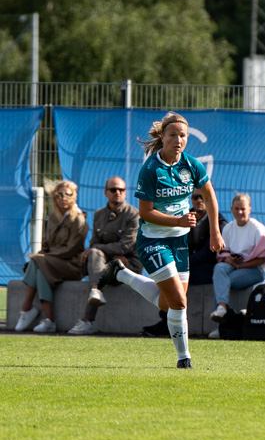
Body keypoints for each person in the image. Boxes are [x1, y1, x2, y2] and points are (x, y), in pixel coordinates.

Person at [99, 111, 224, 369]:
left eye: (183, 136)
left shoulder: (191, 165)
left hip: (179, 242)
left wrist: (215, 231)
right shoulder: (151, 170)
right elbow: (145, 212)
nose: (178, 140)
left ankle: (121, 274)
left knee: (169, 303)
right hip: (153, 241)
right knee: (179, 302)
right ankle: (184, 358)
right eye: (173, 135)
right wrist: (178, 221)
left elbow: (209, 196)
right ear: (163, 137)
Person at [141, 190, 227, 337]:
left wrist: (182, 262)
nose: (199, 200)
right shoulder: (185, 215)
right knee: (168, 273)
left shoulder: (218, 221)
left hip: (206, 268)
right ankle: (167, 321)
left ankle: (168, 323)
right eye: (195, 197)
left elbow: (209, 253)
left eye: (202, 197)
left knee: (175, 278)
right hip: (188, 263)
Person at [67, 176, 143, 335]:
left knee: (96, 263)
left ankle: (87, 319)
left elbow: (124, 246)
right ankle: (95, 292)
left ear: (125, 193)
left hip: (128, 265)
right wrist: (108, 252)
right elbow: (94, 242)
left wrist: (103, 249)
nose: (117, 193)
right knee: (95, 255)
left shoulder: (133, 215)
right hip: (106, 263)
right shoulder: (99, 214)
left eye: (121, 190)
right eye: (113, 189)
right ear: (105, 192)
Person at [14, 180, 89, 333]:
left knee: (38, 261)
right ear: (54, 197)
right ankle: (49, 321)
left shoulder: (79, 219)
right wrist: (43, 256)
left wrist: (44, 257)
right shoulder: (54, 217)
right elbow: (47, 243)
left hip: (71, 264)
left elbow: (70, 250)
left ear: (74, 196)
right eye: (59, 195)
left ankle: (26, 308)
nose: (63, 198)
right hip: (52, 262)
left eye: (68, 194)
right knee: (40, 269)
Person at [209, 193, 265, 337]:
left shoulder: (258, 229)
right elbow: (223, 254)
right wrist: (229, 260)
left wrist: (240, 266)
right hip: (234, 266)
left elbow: (261, 259)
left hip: (253, 269)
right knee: (219, 269)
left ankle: (222, 326)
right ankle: (222, 310)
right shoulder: (228, 228)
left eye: (243, 209)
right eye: (236, 209)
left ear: (249, 209)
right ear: (231, 209)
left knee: (222, 281)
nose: (240, 212)